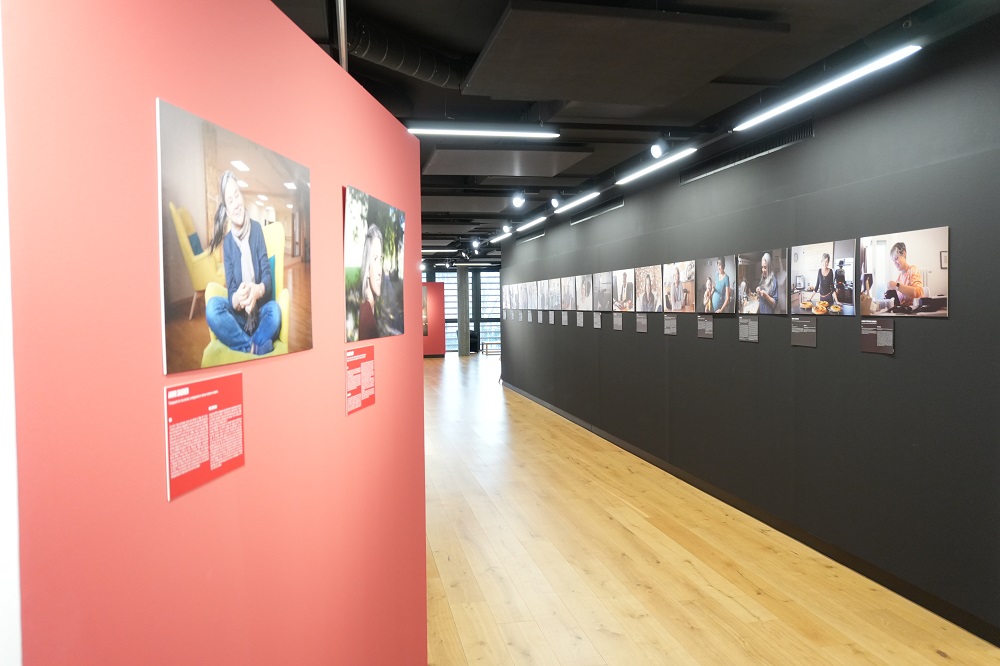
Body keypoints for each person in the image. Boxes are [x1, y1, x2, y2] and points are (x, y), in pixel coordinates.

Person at [205, 170, 281, 355]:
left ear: (242, 196)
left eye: (237, 195)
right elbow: (231, 291)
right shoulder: (228, 244)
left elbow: (267, 279)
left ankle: (243, 344)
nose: (236, 203)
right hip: (239, 317)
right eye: (230, 200)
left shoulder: (256, 229)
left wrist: (257, 291)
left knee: (275, 310)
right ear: (227, 210)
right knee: (213, 307)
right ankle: (253, 347)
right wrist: (238, 298)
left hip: (261, 312)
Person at [358, 224, 384, 339]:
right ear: (367, 269)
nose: (380, 271)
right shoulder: (366, 314)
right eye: (375, 259)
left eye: (380, 259)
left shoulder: (370, 309)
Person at [887, 241, 924, 308]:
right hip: (902, 311)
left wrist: (896, 285)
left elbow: (919, 293)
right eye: (893, 261)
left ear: (904, 254)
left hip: (913, 312)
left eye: (896, 258)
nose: (895, 263)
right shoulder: (899, 278)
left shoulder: (913, 270)